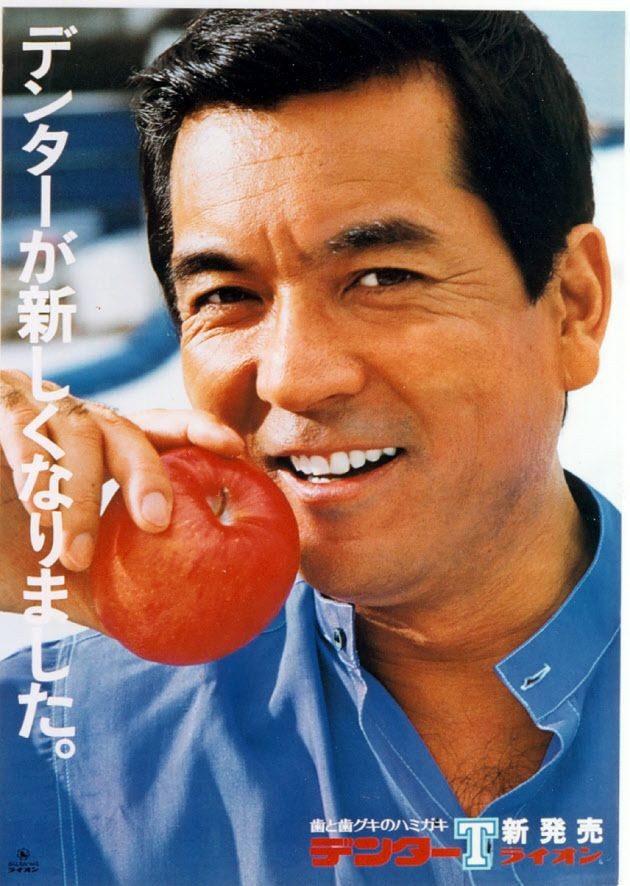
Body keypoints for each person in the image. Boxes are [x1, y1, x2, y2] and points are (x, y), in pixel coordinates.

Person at [0, 10, 620, 884]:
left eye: (382, 277)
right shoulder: (59, 743)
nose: (293, 378)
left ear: (573, 307)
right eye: (227, 295)